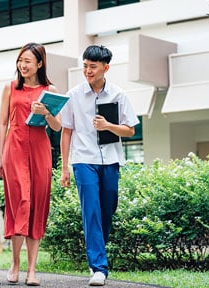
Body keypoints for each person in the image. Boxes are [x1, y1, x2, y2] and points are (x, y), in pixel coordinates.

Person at [59, 45, 139, 286]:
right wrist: (65, 167)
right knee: (91, 210)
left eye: (92, 66)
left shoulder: (118, 94)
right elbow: (66, 132)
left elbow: (130, 129)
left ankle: (97, 254)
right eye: (85, 66)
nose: (88, 71)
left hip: (111, 159)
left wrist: (108, 126)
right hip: (83, 160)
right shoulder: (73, 94)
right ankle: (99, 267)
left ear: (106, 67)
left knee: (107, 209)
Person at [0, 42, 61, 287]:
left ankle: (32, 270)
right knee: (19, 204)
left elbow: (57, 126)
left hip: (39, 149)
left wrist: (46, 112)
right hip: (13, 149)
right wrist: (1, 155)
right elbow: (2, 122)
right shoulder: (10, 88)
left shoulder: (50, 89)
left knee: (36, 206)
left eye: (28, 61)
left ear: (40, 64)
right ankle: (15, 263)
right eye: (20, 60)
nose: (22, 65)